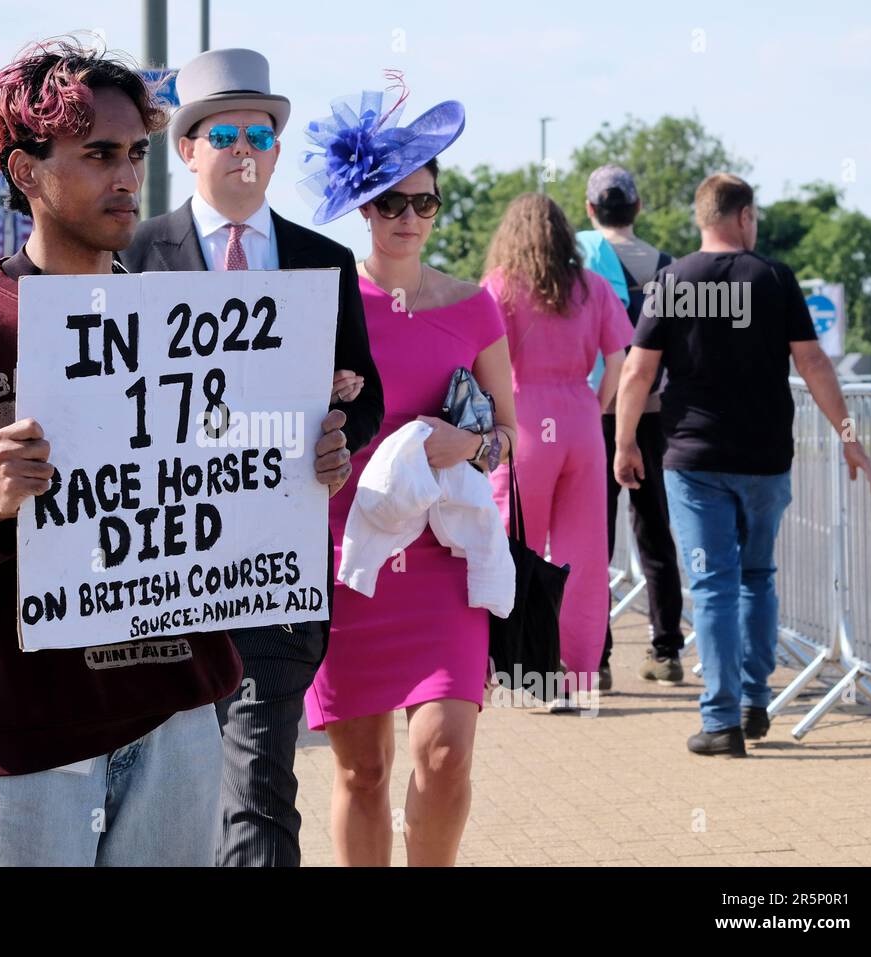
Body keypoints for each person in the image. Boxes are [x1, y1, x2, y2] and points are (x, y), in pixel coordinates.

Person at [0, 39, 254, 867]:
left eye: (135, 152)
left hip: (178, 716)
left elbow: (225, 495)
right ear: (26, 172)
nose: (128, 177)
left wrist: (297, 462)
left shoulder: (184, 326)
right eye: (98, 153)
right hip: (25, 737)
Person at [120, 47, 383, 867]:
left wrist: (342, 420)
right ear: (188, 147)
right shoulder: (132, 255)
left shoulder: (324, 261)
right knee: (161, 793)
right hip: (161, 571)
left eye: (261, 134)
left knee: (261, 786)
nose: (245, 148)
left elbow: (365, 396)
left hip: (276, 572)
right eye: (224, 132)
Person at [296, 81, 518, 866]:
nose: (410, 220)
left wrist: (471, 447)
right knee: (363, 769)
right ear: (363, 209)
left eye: (425, 204)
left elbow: (507, 439)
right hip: (344, 561)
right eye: (392, 204)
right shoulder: (320, 301)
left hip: (443, 564)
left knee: (446, 751)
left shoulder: (473, 307)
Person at [614, 173, 871, 756]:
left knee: (711, 585)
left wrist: (625, 443)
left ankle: (721, 721)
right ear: (744, 217)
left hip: (693, 459)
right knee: (757, 578)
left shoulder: (671, 281)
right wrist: (849, 435)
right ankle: (758, 705)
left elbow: (636, 371)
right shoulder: (775, 278)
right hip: (765, 459)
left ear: (702, 219)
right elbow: (813, 363)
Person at [482, 193, 635, 707]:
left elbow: (483, 361)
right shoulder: (590, 286)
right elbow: (619, 358)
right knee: (587, 557)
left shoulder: (500, 287)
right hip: (581, 422)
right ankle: (576, 682)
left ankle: (509, 664)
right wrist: (595, 402)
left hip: (522, 422)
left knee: (510, 546)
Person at [581, 165, 686, 689]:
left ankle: (594, 659)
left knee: (592, 537)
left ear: (590, 209)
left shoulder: (575, 261)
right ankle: (666, 650)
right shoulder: (664, 267)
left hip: (591, 413)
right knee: (654, 532)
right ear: (637, 208)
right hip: (651, 413)